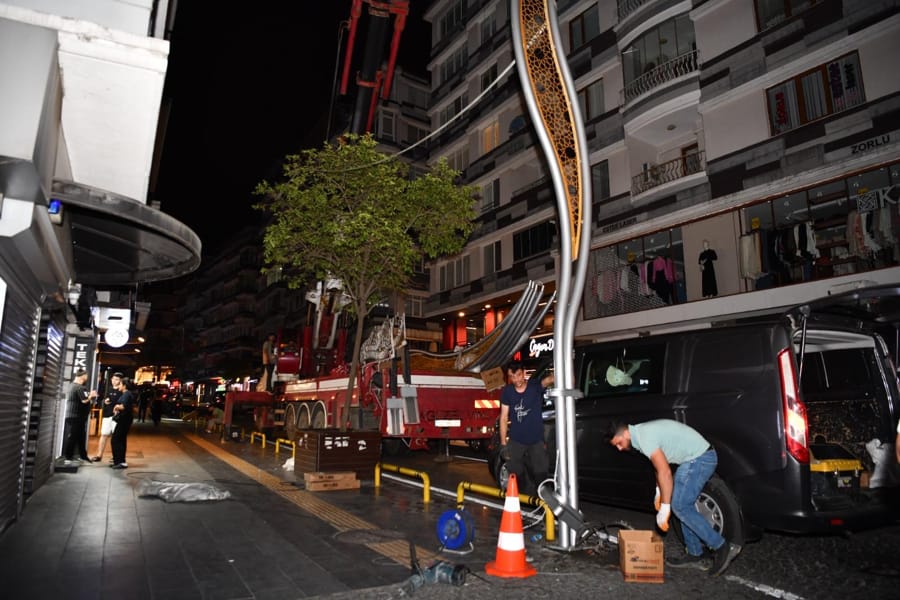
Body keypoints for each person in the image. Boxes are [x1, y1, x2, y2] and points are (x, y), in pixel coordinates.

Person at [606, 419, 741, 576]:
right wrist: (659, 491)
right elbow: (658, 466)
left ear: (625, 433)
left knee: (679, 506)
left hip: (700, 458)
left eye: (619, 443)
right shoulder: (640, 436)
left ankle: (721, 546)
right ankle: (694, 553)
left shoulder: (644, 436)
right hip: (695, 458)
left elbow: (665, 472)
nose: (619, 448)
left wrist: (665, 507)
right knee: (683, 504)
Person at [498, 360, 554, 496]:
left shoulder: (535, 387)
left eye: (518, 375)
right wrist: (503, 444)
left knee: (541, 473)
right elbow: (504, 417)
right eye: (512, 376)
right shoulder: (508, 392)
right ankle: (525, 495)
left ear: (524, 373)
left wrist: (565, 373)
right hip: (516, 439)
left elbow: (548, 380)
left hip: (536, 439)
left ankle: (543, 502)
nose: (516, 379)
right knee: (514, 470)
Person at [62, 369, 97, 463]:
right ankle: (68, 457)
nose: (87, 377)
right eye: (86, 375)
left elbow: (82, 398)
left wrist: (88, 396)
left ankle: (83, 455)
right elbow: (84, 400)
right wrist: (91, 395)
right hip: (76, 416)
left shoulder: (72, 386)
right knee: (73, 437)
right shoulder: (80, 387)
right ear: (83, 376)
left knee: (81, 436)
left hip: (74, 415)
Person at [91, 372, 122, 462]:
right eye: (113, 379)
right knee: (104, 434)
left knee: (116, 437)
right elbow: (105, 399)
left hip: (117, 416)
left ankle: (115, 457)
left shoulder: (121, 391)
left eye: (116, 379)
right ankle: (99, 455)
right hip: (107, 415)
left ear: (120, 381)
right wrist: (105, 401)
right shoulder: (108, 389)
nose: (113, 381)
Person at [110, 375, 135, 469]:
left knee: (115, 440)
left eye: (120, 384)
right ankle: (120, 461)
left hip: (124, 420)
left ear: (124, 385)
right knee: (121, 440)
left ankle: (119, 461)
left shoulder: (126, 394)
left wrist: (116, 407)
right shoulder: (127, 394)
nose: (119, 386)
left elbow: (123, 406)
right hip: (126, 419)